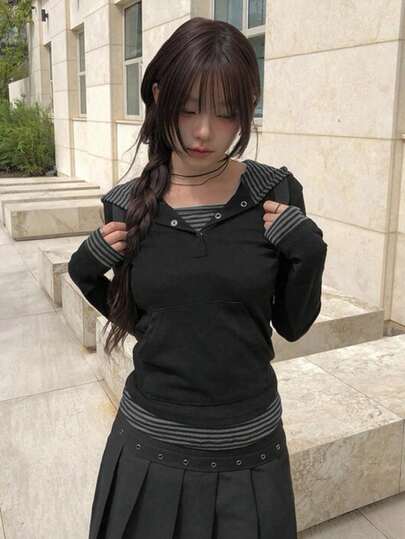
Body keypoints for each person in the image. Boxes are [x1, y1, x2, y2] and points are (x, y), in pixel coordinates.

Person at [68, 16, 327, 539]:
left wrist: (309, 252)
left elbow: (292, 324)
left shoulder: (273, 193)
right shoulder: (127, 205)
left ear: (248, 108)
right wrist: (85, 273)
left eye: (226, 113)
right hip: (150, 449)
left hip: (249, 449)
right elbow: (146, 320)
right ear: (159, 97)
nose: (205, 131)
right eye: (188, 110)